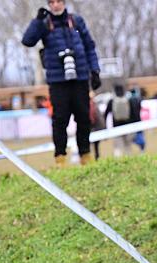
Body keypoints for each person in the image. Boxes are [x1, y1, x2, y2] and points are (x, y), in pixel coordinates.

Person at [22, 0, 102, 167]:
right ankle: (60, 158)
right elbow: (28, 41)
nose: (56, 5)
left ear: (64, 3)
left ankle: (85, 155)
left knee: (83, 118)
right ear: (49, 5)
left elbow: (89, 46)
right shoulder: (44, 25)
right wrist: (37, 21)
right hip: (58, 81)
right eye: (52, 2)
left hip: (79, 78)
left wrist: (94, 71)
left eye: (59, 1)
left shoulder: (76, 22)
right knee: (60, 120)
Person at [105, 84, 133, 157]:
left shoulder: (112, 101)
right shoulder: (127, 100)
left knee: (117, 147)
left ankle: (117, 163)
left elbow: (106, 114)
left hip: (116, 127)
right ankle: (129, 160)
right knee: (127, 146)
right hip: (127, 126)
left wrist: (105, 126)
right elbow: (132, 113)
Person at [88, 91, 105, 160]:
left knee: (92, 146)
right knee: (95, 146)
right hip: (94, 127)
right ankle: (95, 158)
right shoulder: (92, 105)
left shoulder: (89, 104)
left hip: (91, 127)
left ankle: (94, 158)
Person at [129, 88, 146, 153]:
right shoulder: (138, 99)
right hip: (138, 120)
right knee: (139, 135)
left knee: (133, 136)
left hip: (132, 121)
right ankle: (142, 149)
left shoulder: (129, 100)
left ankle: (140, 146)